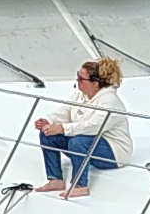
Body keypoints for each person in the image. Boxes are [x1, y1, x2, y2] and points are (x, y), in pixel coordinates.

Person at [37, 54, 125, 197]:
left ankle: (80, 185)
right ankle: (55, 179)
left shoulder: (110, 101)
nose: (77, 81)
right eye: (78, 76)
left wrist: (62, 128)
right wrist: (49, 122)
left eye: (81, 79)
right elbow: (65, 111)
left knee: (78, 141)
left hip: (113, 153)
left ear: (95, 83)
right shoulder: (80, 94)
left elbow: (93, 127)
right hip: (87, 144)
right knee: (47, 134)